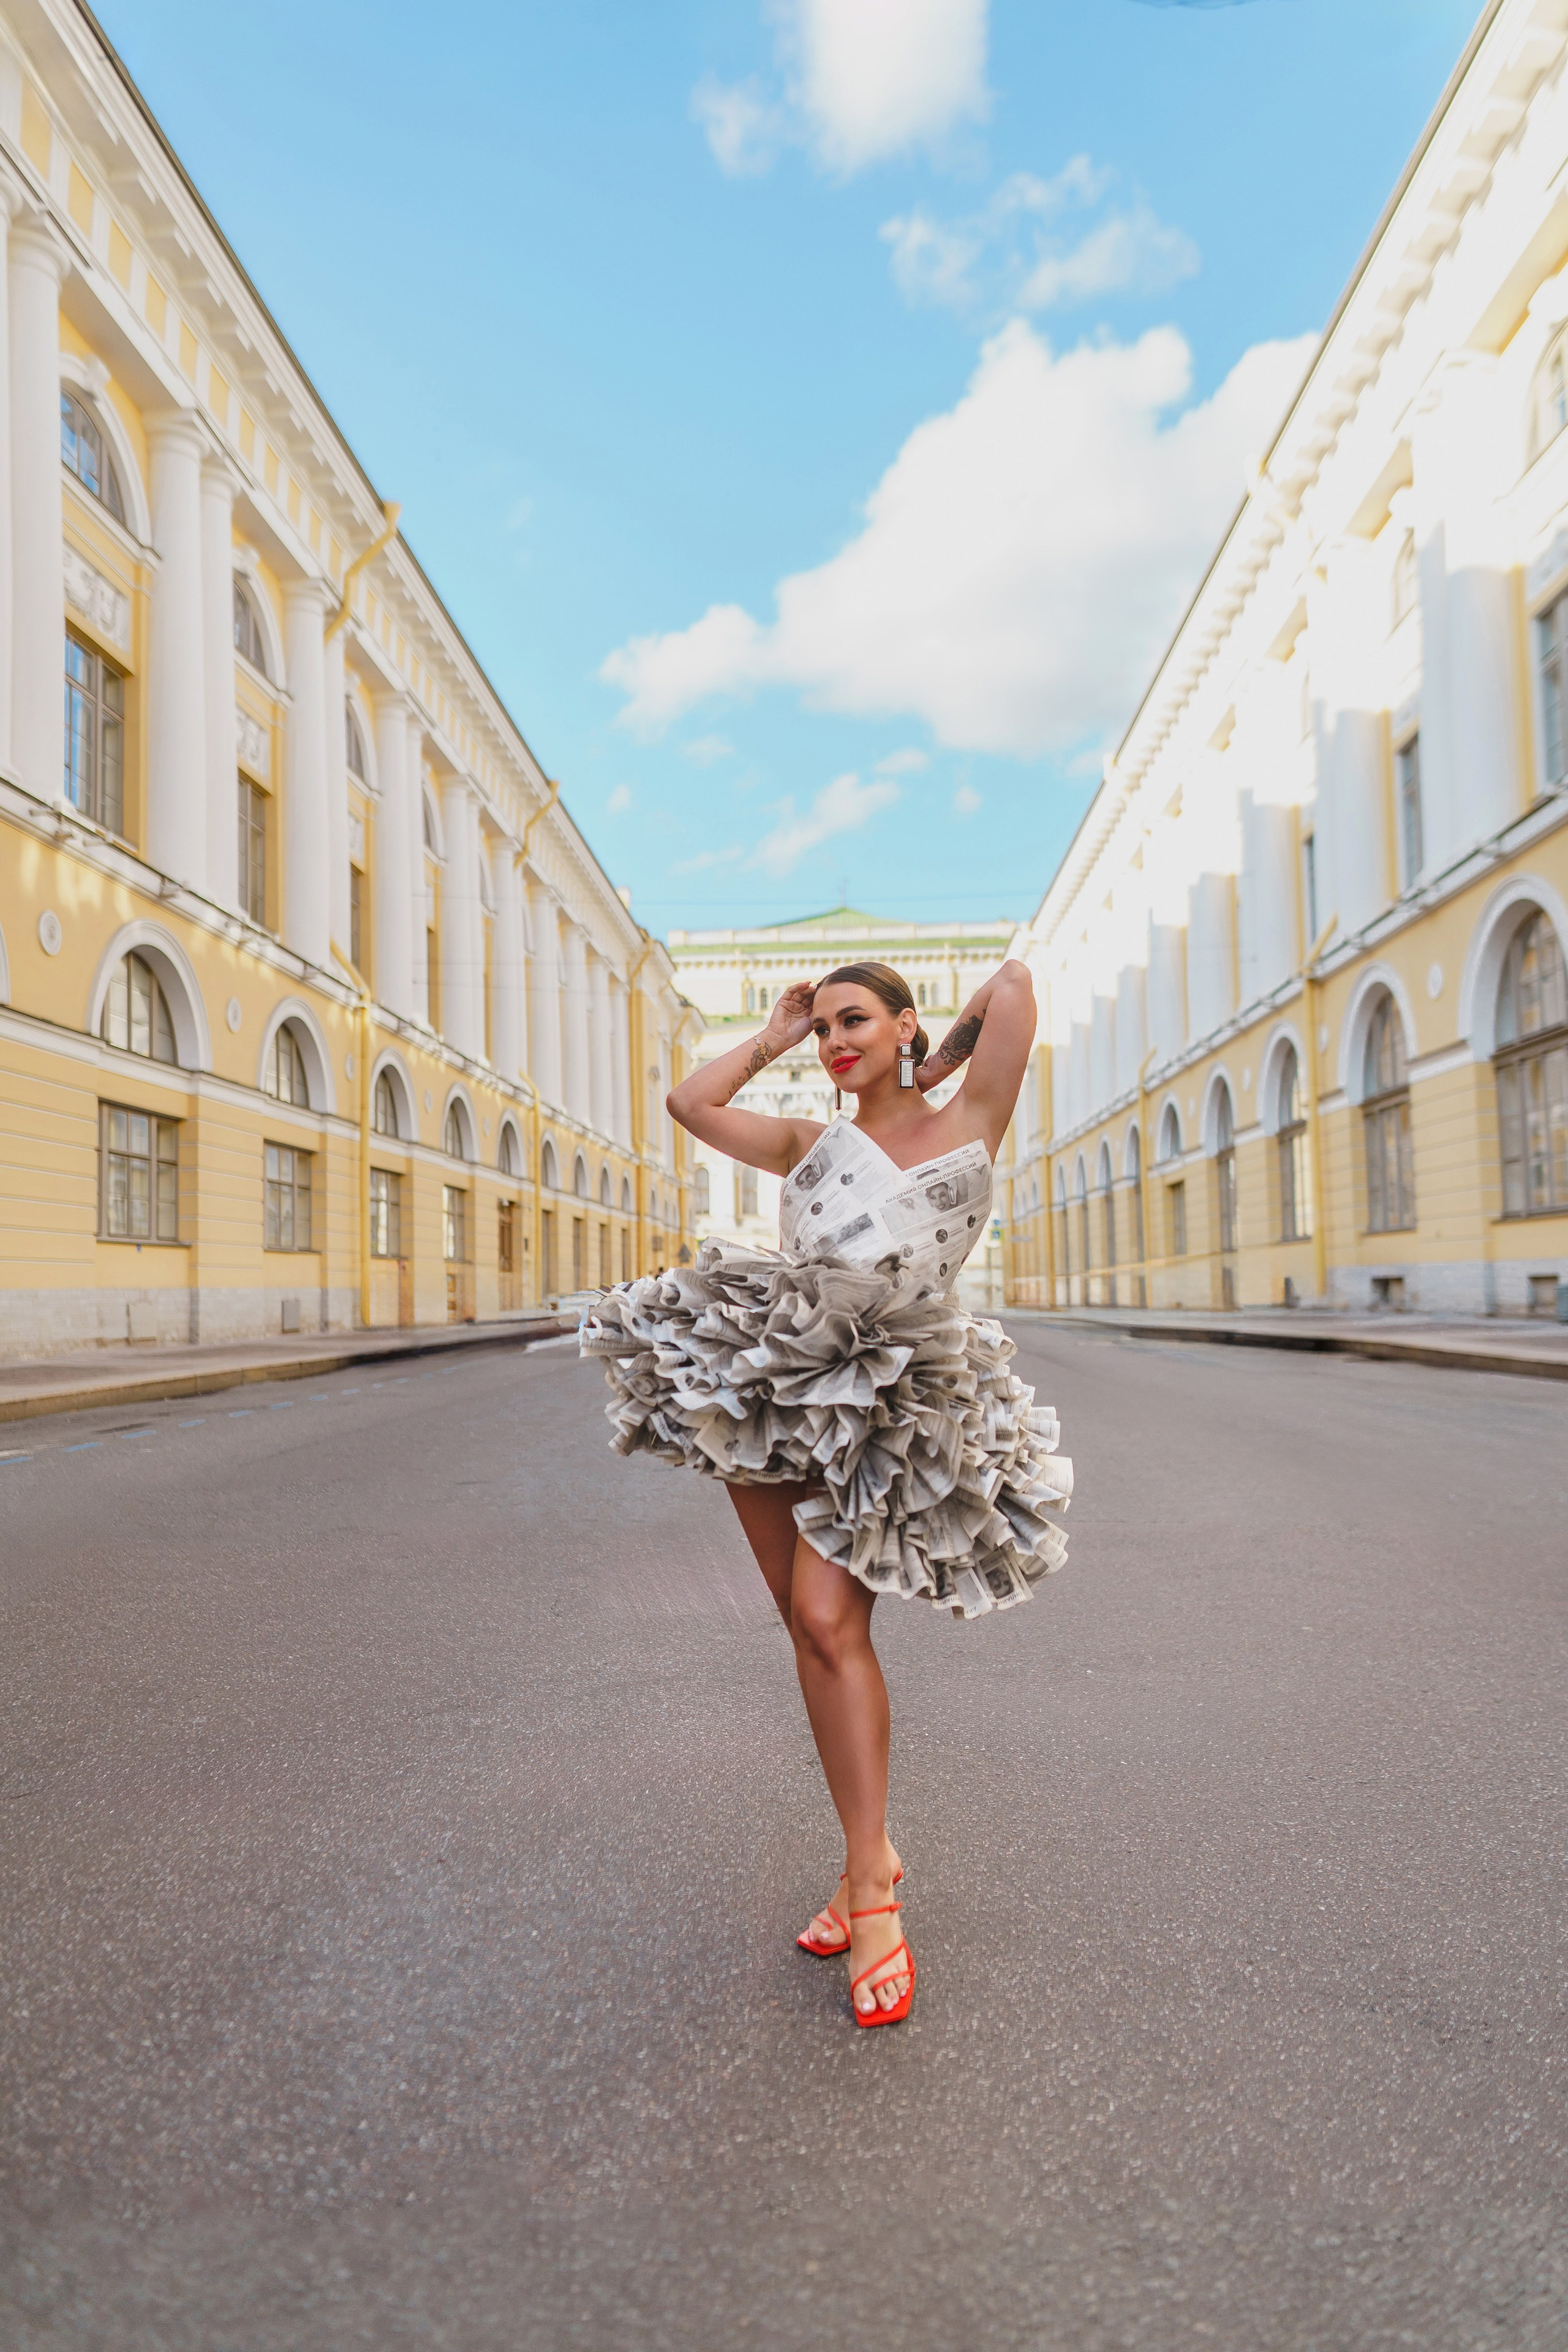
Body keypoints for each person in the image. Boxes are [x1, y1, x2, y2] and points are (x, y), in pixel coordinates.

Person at [580, 960, 1071, 2027]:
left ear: (902, 1026)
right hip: (779, 1384)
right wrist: (771, 1035)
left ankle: (875, 1894)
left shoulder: (971, 1120)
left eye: (856, 1022)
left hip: (889, 1400)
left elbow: (1014, 985)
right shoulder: (810, 1142)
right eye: (825, 1030)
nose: (835, 1041)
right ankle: (867, 1857)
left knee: (826, 1616)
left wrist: (935, 1061)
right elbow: (690, 1104)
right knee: (808, 1631)